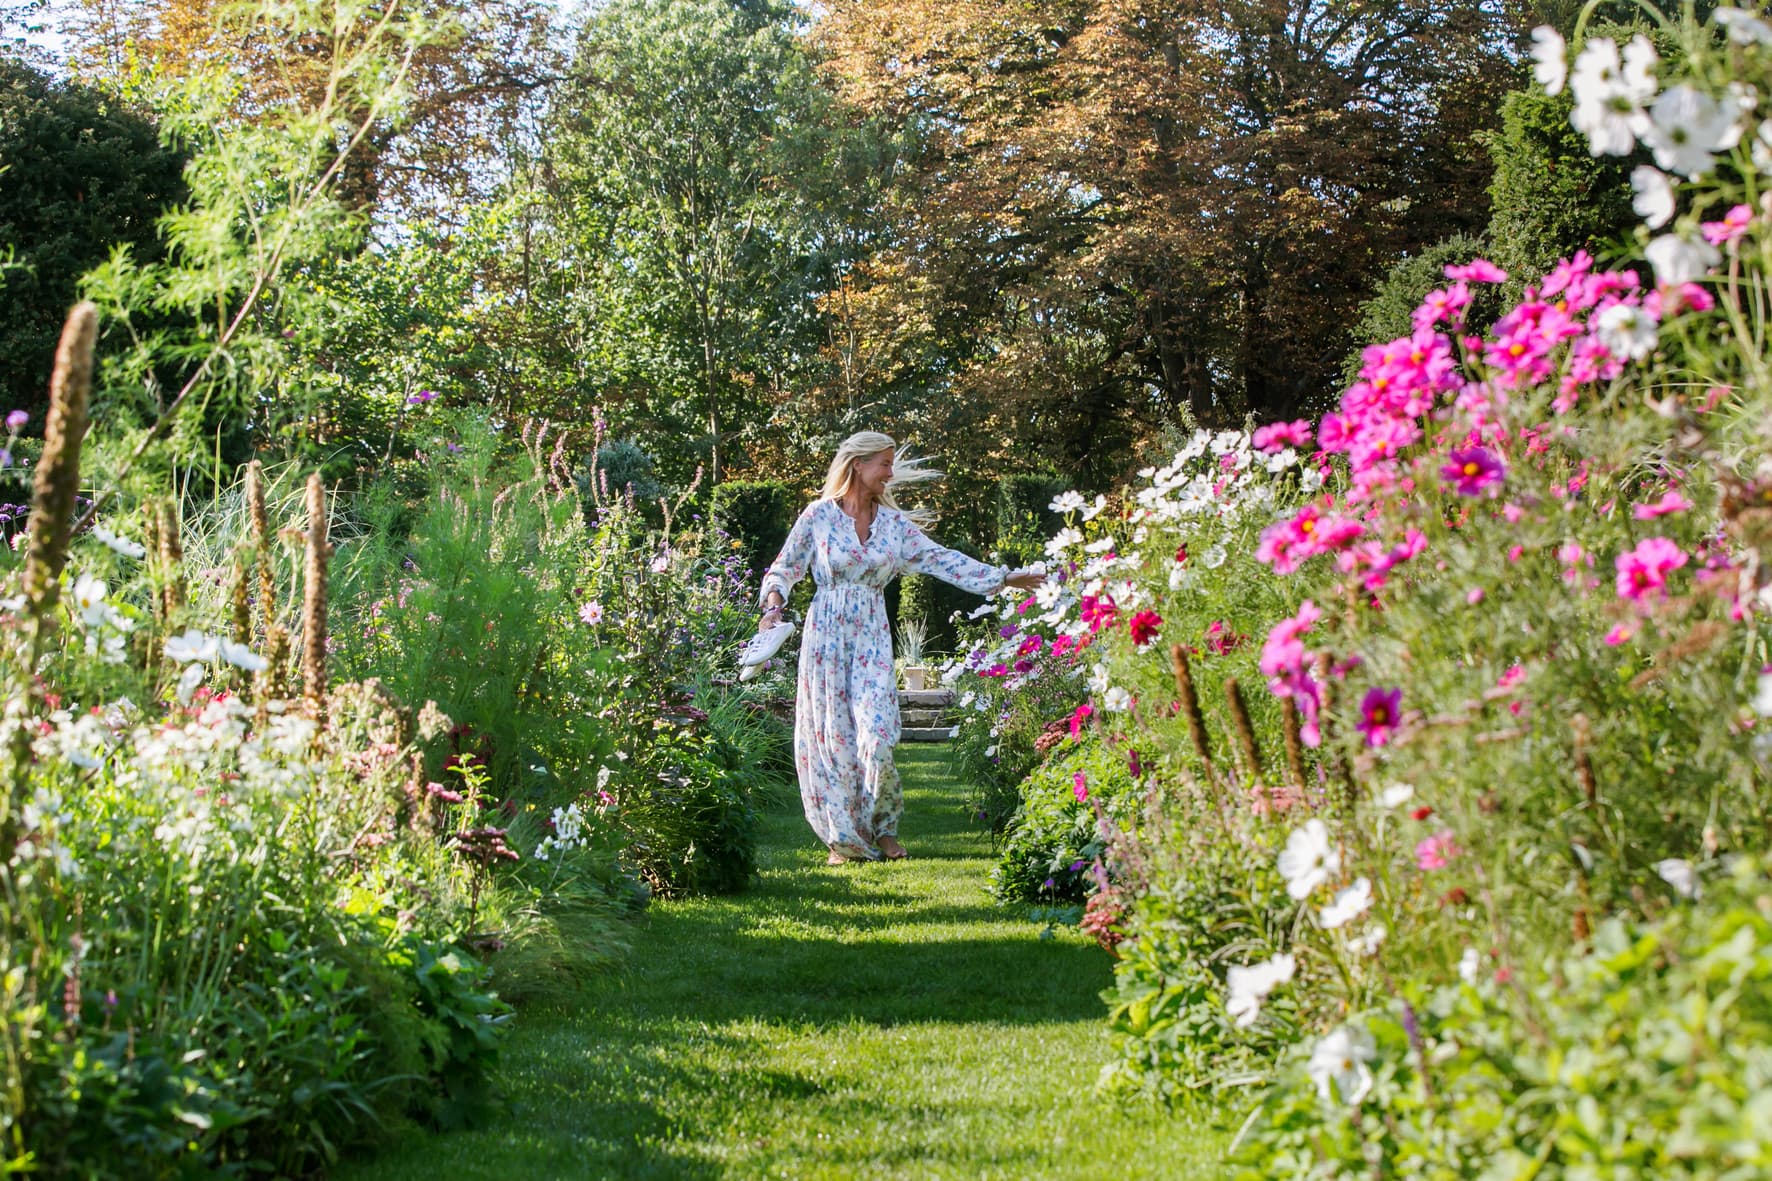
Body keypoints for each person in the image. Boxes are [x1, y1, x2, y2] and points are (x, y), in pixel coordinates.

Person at [757, 432, 1042, 864]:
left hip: (871, 635)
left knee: (878, 735)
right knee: (833, 741)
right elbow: (783, 569)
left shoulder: (893, 526)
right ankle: (845, 840)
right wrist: (774, 606)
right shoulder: (817, 517)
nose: (890, 473)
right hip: (826, 640)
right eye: (884, 464)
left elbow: (942, 559)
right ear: (858, 465)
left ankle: (884, 829)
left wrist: (1003, 578)